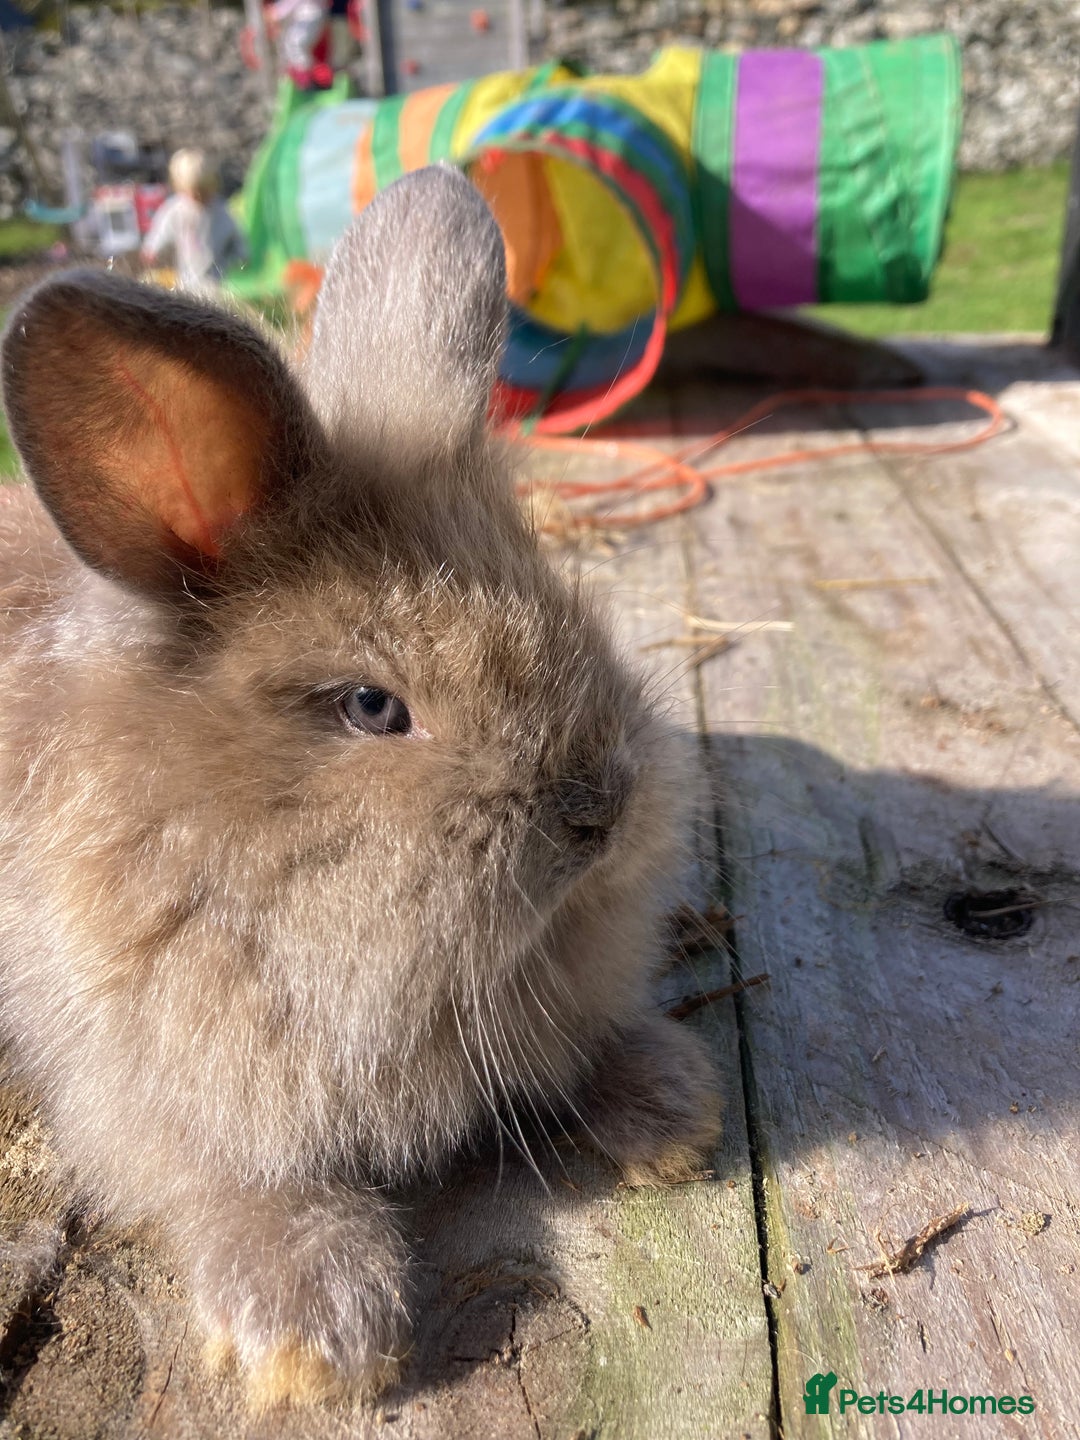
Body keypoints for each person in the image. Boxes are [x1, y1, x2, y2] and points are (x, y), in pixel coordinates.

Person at [141, 149, 248, 293]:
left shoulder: (221, 211)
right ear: (180, 187)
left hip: (216, 279)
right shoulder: (177, 209)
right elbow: (161, 228)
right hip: (186, 277)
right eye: (195, 193)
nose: (200, 197)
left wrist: (241, 254)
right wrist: (152, 247)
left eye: (204, 192)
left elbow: (236, 235)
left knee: (213, 298)